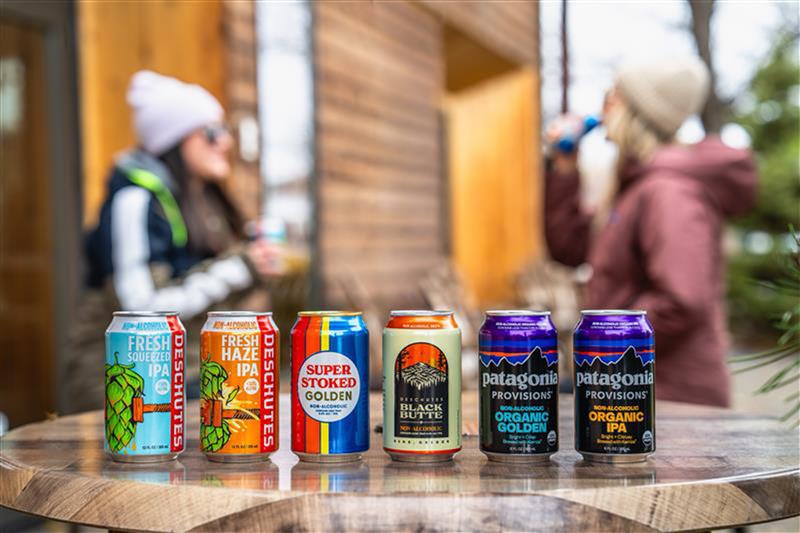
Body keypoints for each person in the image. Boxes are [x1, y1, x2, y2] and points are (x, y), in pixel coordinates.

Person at [545, 57, 758, 407]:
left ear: (638, 111)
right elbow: (571, 246)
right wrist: (565, 168)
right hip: (635, 387)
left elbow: (681, 301)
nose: (602, 106)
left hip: (672, 400)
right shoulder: (634, 186)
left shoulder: (669, 191)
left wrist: (605, 346)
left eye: (613, 96)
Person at [64, 71, 281, 413]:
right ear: (175, 139)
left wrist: (251, 270)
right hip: (126, 380)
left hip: (180, 370)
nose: (225, 141)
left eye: (225, 130)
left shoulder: (200, 199)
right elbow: (143, 309)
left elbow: (199, 301)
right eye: (212, 132)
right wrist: (240, 268)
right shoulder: (134, 200)